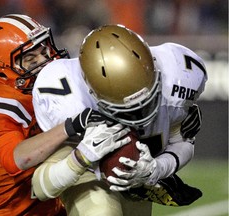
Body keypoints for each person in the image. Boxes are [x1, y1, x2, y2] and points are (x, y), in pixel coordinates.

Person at [0, 14, 131, 215]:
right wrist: (72, 125)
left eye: (44, 51)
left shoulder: (55, 85)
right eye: (31, 59)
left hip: (55, 207)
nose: (45, 61)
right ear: (3, 70)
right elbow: (17, 159)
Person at [31, 24, 207, 215]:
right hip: (86, 174)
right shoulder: (66, 99)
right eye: (128, 110)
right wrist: (81, 157)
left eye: (146, 102)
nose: (140, 114)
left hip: (135, 180)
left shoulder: (178, 76)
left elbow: (182, 143)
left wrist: (156, 169)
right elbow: (41, 187)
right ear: (92, 93)